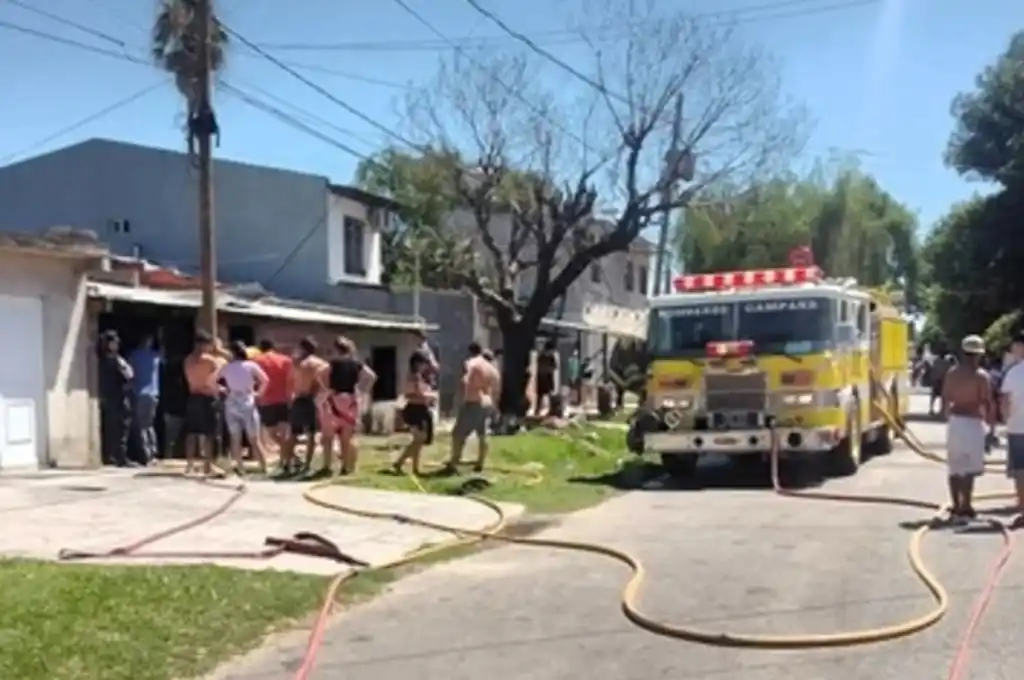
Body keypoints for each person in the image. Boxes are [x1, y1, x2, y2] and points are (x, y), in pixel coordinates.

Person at [942, 334, 994, 521]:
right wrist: (991, 430)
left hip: (956, 422)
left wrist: (949, 419)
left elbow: (946, 400)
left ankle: (957, 505)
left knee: (955, 467)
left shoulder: (952, 374)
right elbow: (987, 403)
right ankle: (966, 505)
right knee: (969, 468)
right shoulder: (981, 377)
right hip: (973, 423)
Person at [317, 336, 376, 476]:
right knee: (346, 437)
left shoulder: (332, 363)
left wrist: (326, 387)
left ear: (336, 349)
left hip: (334, 400)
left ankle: (327, 466)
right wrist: (362, 390)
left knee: (328, 437)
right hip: (350, 401)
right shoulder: (356, 363)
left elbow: (319, 373)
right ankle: (345, 467)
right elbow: (372, 376)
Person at [443, 341, 500, 474]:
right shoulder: (491, 367)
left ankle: (454, 462)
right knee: (483, 434)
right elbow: (496, 386)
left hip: (473, 401)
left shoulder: (472, 363)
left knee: (458, 434)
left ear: (470, 352)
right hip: (487, 402)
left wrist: (459, 400)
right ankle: (480, 463)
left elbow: (464, 381)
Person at [218, 341, 270, 475]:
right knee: (254, 438)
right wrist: (259, 393)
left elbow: (212, 381)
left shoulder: (227, 368)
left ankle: (240, 467)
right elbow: (265, 380)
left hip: (232, 401)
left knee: (236, 437)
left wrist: (223, 389)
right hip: (247, 400)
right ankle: (264, 466)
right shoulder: (251, 365)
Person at [183, 330, 223, 476]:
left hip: (193, 395)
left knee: (192, 432)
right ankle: (207, 465)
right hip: (207, 397)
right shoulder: (210, 360)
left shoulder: (188, 360)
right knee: (210, 433)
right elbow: (216, 377)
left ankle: (189, 464)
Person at [392, 352, 436, 475]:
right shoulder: (414, 377)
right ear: (417, 363)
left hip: (421, 409)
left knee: (419, 440)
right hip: (415, 409)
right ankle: (399, 462)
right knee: (419, 439)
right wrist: (431, 396)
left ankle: (415, 468)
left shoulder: (419, 377)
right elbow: (414, 394)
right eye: (424, 363)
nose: (426, 366)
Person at [289, 337, 328, 474]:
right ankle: (307, 464)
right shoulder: (320, 364)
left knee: (293, 433)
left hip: (300, 398)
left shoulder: (299, 363)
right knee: (312, 434)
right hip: (312, 398)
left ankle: (287, 462)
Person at [97, 330, 134, 468]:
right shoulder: (113, 360)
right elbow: (128, 375)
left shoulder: (105, 360)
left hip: (113, 398)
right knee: (119, 428)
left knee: (115, 428)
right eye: (114, 342)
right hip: (117, 398)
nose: (116, 345)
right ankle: (120, 457)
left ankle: (114, 456)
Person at [253, 338, 294, 453]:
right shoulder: (286, 360)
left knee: (271, 432)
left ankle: (288, 455)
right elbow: (290, 380)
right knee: (285, 432)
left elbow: (255, 380)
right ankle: (288, 456)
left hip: (266, 399)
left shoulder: (256, 360)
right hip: (284, 399)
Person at [1000, 332, 1024, 527]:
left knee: (1020, 472)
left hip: (1018, 429)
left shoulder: (1014, 372)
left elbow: (1005, 402)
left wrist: (1005, 421)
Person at [129, 333, 162, 464]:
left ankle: (145, 455)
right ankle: (153, 452)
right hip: (154, 393)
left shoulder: (134, 355)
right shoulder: (155, 356)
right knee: (149, 425)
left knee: (141, 426)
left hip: (140, 393)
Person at [534, 339, 559, 416]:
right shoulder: (541, 356)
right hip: (541, 378)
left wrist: (549, 369)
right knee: (539, 396)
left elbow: (555, 366)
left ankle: (552, 410)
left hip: (548, 379)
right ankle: (537, 411)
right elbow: (539, 367)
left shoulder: (551, 357)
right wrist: (546, 369)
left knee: (551, 395)